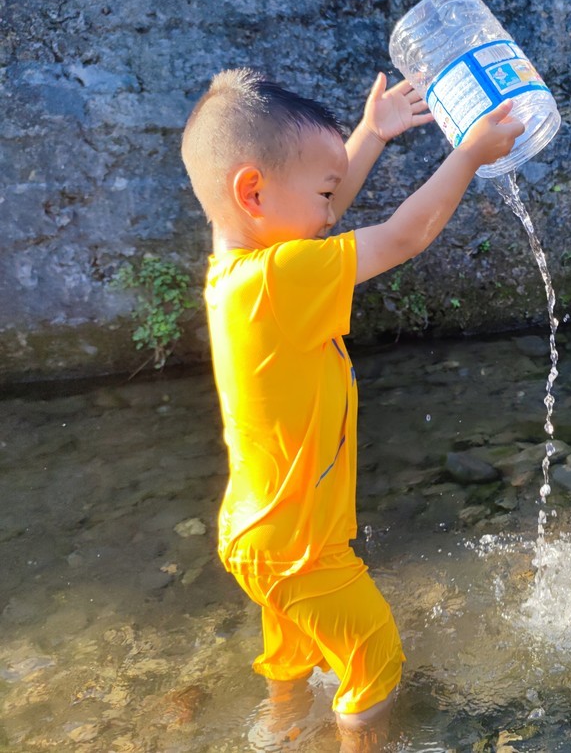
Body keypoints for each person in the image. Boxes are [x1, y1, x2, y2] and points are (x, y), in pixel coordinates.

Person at [180, 67, 523, 751]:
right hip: (304, 549)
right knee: (374, 664)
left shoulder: (243, 262)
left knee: (295, 658)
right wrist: (469, 154)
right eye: (324, 191)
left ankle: (279, 732)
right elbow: (402, 237)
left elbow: (315, 209)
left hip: (261, 535)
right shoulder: (281, 278)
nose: (331, 210)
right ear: (253, 192)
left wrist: (371, 134)